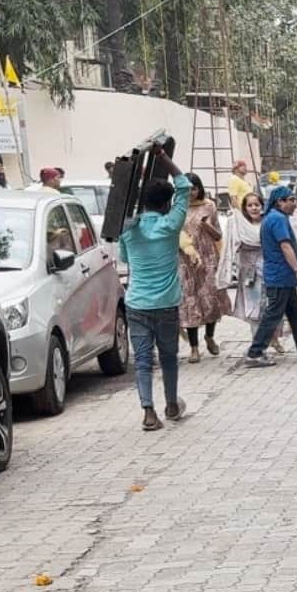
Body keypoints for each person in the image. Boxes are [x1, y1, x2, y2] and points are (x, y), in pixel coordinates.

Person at [117, 147, 193, 431]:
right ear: (166, 204)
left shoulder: (128, 228)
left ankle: (148, 412)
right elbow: (184, 184)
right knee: (169, 357)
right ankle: (171, 403)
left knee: (144, 360)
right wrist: (163, 159)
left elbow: (124, 259)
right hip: (166, 304)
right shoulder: (171, 225)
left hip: (136, 303)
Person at [244, 186, 297, 366]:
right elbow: (285, 246)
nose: (293, 204)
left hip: (283, 276)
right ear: (280, 202)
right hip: (280, 275)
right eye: (290, 200)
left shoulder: (274, 218)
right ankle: (255, 352)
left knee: (295, 313)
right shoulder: (277, 220)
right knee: (273, 315)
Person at [177, 174, 229, 362]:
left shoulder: (209, 206)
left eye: (194, 188)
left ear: (199, 188)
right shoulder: (177, 208)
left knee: (209, 299)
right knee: (190, 301)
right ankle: (194, 347)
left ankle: (210, 335)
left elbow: (218, 235)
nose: (191, 193)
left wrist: (206, 226)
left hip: (207, 259)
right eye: (187, 189)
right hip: (185, 259)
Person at [222, 191, 273, 348]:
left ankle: (273, 339)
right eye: (250, 205)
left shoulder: (268, 223)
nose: (253, 208)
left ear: (262, 206)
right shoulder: (240, 226)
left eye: (256, 205)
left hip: (267, 270)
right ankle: (256, 342)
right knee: (254, 308)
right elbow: (232, 246)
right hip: (249, 274)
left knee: (270, 306)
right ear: (245, 208)